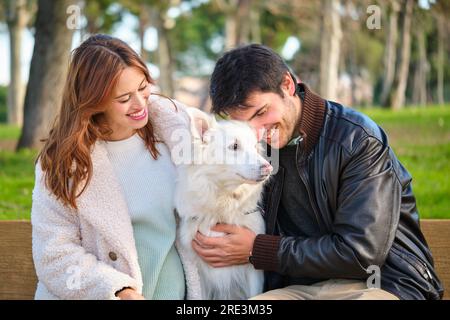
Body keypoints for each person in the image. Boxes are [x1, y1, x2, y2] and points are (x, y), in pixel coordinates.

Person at [190, 44, 443, 300]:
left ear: (287, 85)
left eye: (262, 112)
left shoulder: (358, 140)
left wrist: (258, 249)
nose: (256, 131)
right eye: (244, 122)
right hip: (301, 289)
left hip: (382, 283)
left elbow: (361, 254)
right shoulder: (254, 154)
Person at [31, 34, 200, 300]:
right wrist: (117, 290)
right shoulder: (61, 164)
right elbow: (54, 255)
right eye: (124, 98)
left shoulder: (176, 132)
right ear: (94, 102)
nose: (141, 104)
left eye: (144, 87)